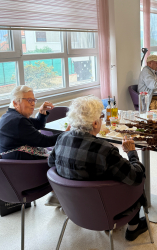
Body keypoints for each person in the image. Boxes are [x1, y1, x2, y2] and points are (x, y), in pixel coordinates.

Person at [48, 96, 148, 241]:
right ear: (95, 123)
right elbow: (136, 177)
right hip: (105, 207)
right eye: (101, 117)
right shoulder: (105, 149)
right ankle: (134, 227)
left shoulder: (61, 138)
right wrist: (132, 153)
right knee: (137, 175)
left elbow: (52, 164)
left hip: (73, 206)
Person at [0, 85, 69, 207]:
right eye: (29, 100)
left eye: (34, 100)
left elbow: (37, 125)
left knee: (57, 152)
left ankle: (55, 194)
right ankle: (60, 195)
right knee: (63, 156)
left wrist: (41, 112)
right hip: (23, 168)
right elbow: (44, 141)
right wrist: (65, 135)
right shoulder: (18, 121)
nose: (33, 104)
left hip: (13, 165)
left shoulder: (11, 116)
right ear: (15, 103)